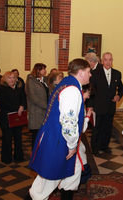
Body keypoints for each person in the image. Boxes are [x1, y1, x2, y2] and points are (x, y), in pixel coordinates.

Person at [24, 58, 91, 200]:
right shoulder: (72, 90)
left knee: (73, 172)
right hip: (58, 141)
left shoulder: (65, 84)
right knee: (46, 183)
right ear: (81, 72)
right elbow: (69, 122)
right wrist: (72, 145)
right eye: (88, 72)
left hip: (55, 137)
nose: (90, 75)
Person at [87, 52, 123, 157]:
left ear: (112, 61)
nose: (108, 62)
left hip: (110, 106)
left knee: (107, 128)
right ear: (102, 61)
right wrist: (90, 106)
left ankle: (104, 146)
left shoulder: (117, 73)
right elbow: (91, 90)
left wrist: (119, 95)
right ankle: (95, 148)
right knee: (97, 128)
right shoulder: (94, 73)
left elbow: (121, 88)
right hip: (98, 106)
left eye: (110, 59)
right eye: (106, 59)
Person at [0, 71, 27, 164]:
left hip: (18, 115)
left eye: (13, 77)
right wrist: (17, 108)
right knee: (7, 138)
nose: (12, 79)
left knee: (18, 137)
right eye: (9, 78)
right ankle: (6, 158)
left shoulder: (19, 87)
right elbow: (3, 102)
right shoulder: (2, 88)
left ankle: (19, 156)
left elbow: (24, 98)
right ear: (5, 79)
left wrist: (22, 106)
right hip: (7, 116)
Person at [25, 63, 49, 149]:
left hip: (44, 111)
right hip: (36, 111)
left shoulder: (45, 80)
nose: (45, 71)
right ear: (38, 70)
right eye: (43, 69)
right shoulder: (31, 80)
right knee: (37, 135)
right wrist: (47, 106)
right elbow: (33, 97)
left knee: (43, 136)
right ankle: (34, 156)